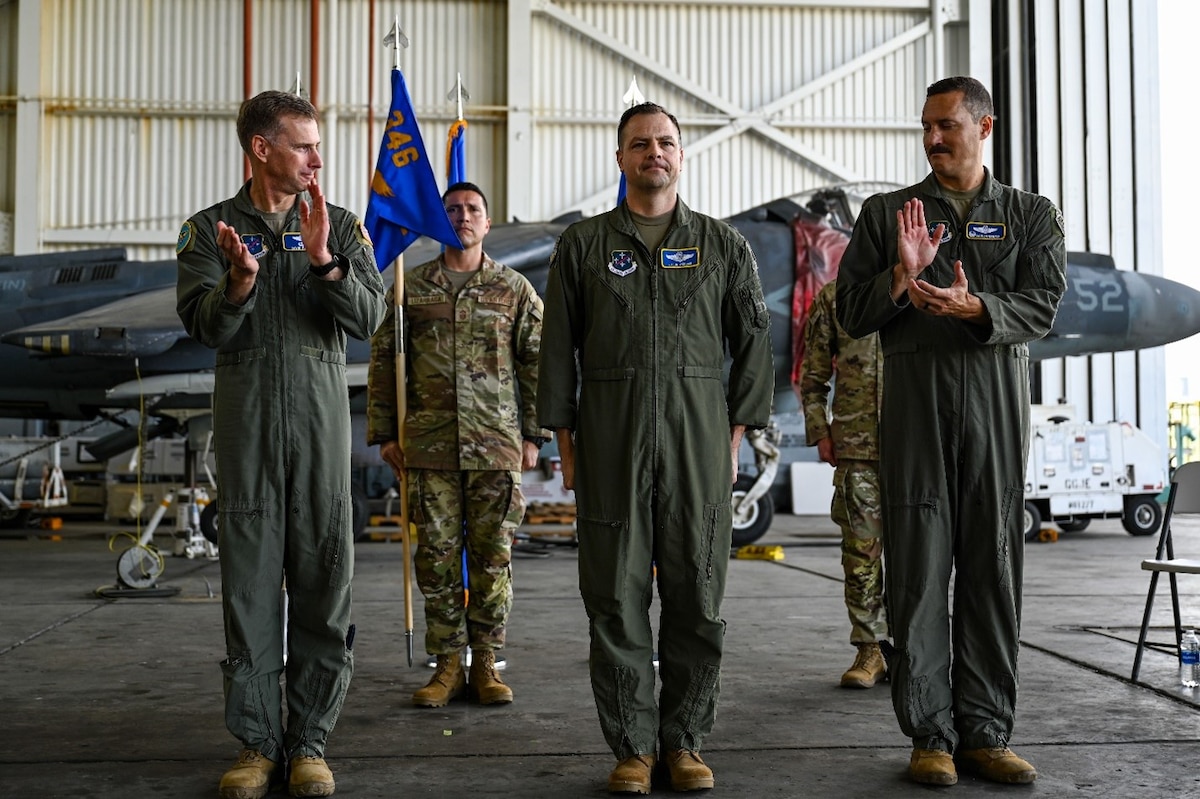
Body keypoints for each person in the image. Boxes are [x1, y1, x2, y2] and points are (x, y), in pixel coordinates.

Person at [536, 102, 774, 795]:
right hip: (610, 438)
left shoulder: (722, 246)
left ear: (681, 154)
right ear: (621, 159)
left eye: (666, 142)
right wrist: (565, 442)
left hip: (698, 439)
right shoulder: (582, 246)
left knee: (699, 595)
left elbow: (752, 341)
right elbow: (558, 352)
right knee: (615, 597)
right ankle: (634, 747)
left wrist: (734, 436)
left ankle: (685, 741)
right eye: (640, 144)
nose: (654, 153)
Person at [835, 76, 1066, 787]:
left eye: (948, 127)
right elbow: (848, 311)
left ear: (985, 127)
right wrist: (901, 282)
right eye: (926, 127)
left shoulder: (1030, 214)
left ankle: (986, 731)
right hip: (914, 409)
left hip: (995, 406)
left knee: (994, 568)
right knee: (920, 572)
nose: (934, 139)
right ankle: (930, 734)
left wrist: (977, 308)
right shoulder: (886, 214)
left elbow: (1045, 304)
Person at [176, 90, 386, 799]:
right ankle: (257, 744)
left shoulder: (341, 225)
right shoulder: (208, 231)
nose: (316, 159)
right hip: (248, 434)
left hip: (321, 435)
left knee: (326, 585)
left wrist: (326, 259)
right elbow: (205, 327)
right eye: (302, 145)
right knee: (250, 589)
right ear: (261, 148)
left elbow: (370, 317)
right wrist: (237, 285)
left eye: (317, 145)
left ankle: (310, 743)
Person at [366, 181, 547, 708]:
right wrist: (384, 433)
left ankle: (486, 663)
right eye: (452, 210)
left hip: (497, 448)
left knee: (493, 560)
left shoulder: (513, 289)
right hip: (429, 447)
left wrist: (534, 435)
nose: (463, 217)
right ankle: (447, 665)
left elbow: (538, 363)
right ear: (439, 222)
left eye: (473, 210)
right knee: (438, 560)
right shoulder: (409, 287)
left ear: (488, 224)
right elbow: (384, 364)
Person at [797, 279, 889, 689]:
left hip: (923, 448)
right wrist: (819, 430)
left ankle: (914, 651)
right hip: (857, 445)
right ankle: (871, 648)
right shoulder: (839, 296)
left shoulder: (931, 288)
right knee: (860, 555)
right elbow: (812, 373)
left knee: (923, 557)